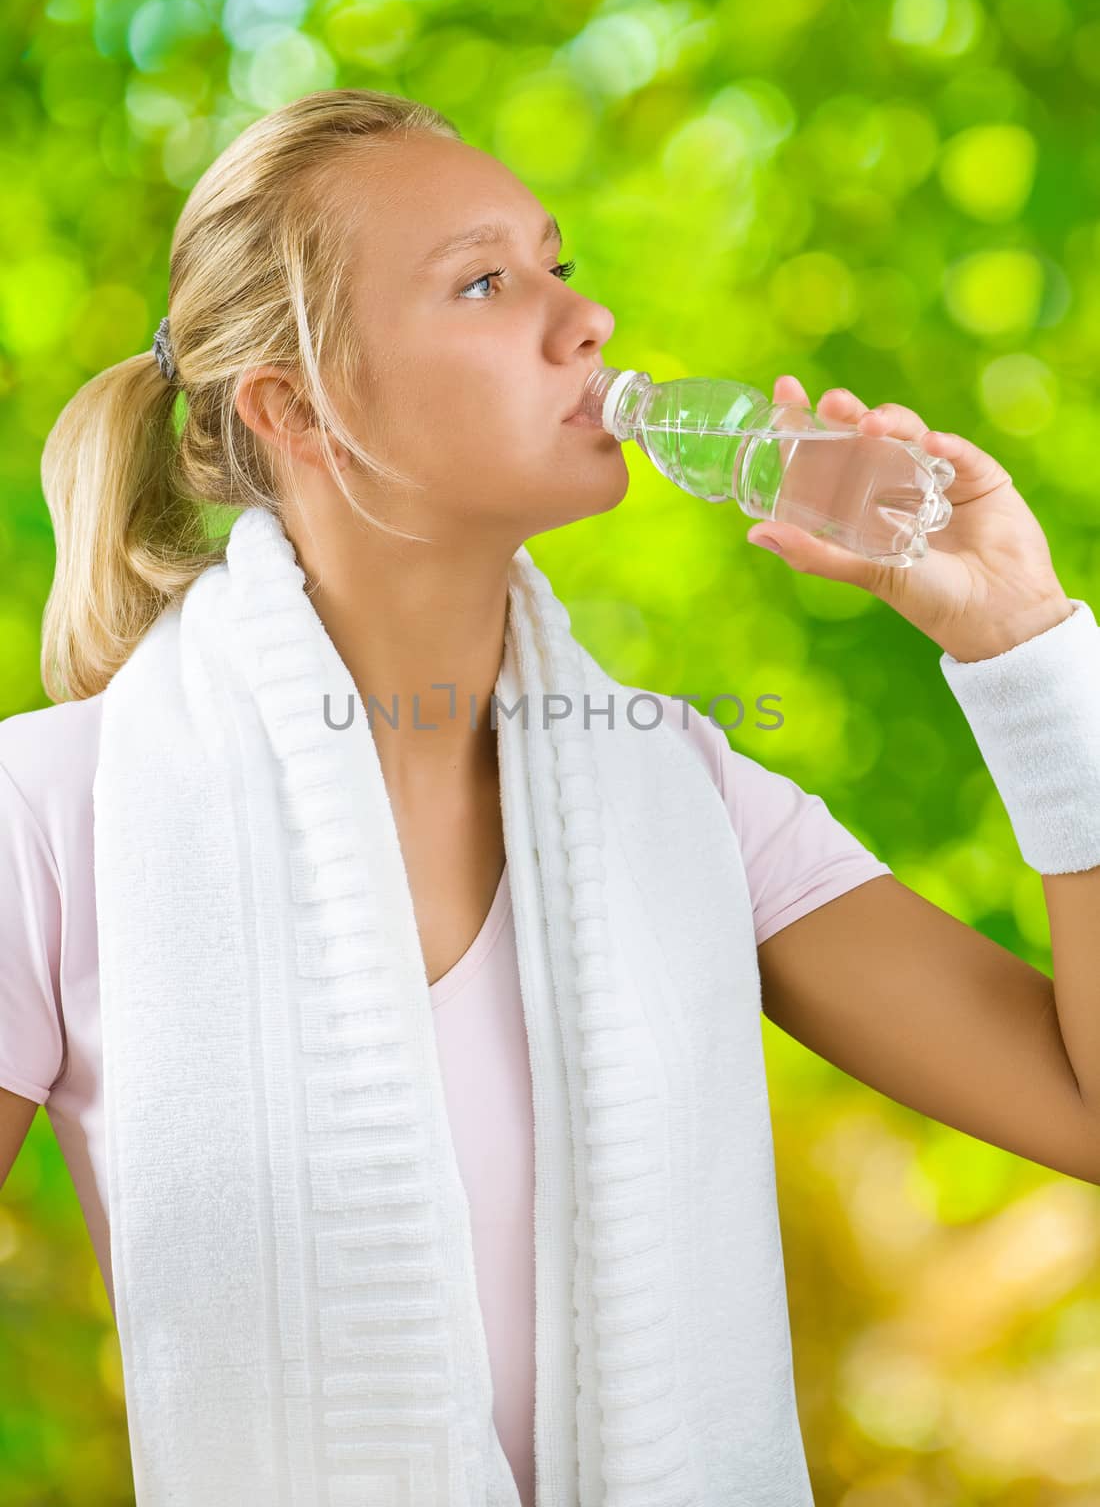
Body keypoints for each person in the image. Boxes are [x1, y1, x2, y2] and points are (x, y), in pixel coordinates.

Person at [2, 88, 1099, 1507]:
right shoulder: (53, 815)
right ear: (296, 408)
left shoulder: (691, 801)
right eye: (483, 282)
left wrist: (1024, 645)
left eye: (560, 266)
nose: (586, 323)